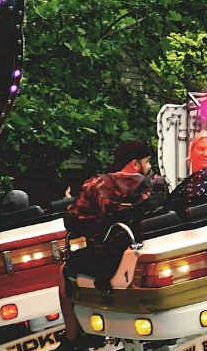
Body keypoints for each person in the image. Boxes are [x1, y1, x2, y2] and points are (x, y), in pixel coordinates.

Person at [57, 140, 154, 351]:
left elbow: (71, 220)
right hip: (143, 255)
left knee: (65, 270)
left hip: (104, 259)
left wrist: (95, 224)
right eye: (147, 162)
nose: (148, 167)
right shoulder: (153, 186)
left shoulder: (94, 184)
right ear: (135, 164)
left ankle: (73, 338)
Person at [167, 130, 207, 209]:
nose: (205, 154)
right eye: (201, 149)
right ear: (191, 152)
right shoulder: (197, 177)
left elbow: (180, 204)